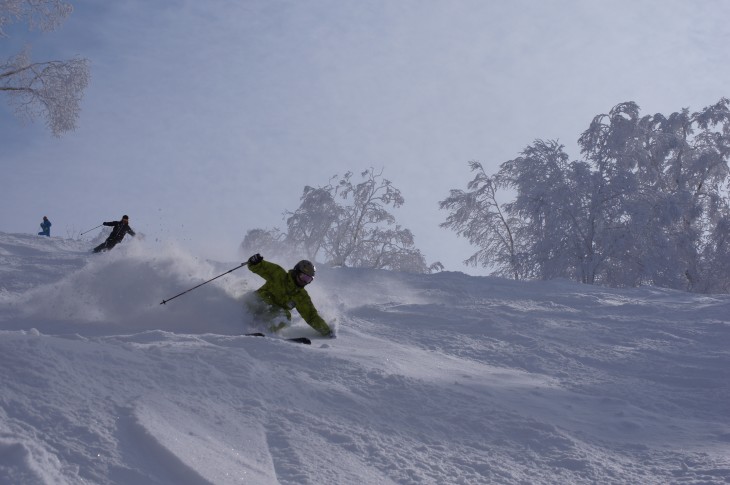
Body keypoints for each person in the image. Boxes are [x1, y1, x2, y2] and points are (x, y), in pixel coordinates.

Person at [245, 253, 335, 338]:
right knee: (262, 303)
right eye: (303, 277)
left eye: (308, 279)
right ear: (296, 272)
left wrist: (327, 332)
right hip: (257, 303)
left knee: (286, 316)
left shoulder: (301, 296)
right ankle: (243, 321)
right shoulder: (279, 274)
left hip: (270, 313)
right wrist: (254, 261)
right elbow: (257, 267)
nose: (304, 281)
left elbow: (311, 316)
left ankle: (265, 332)